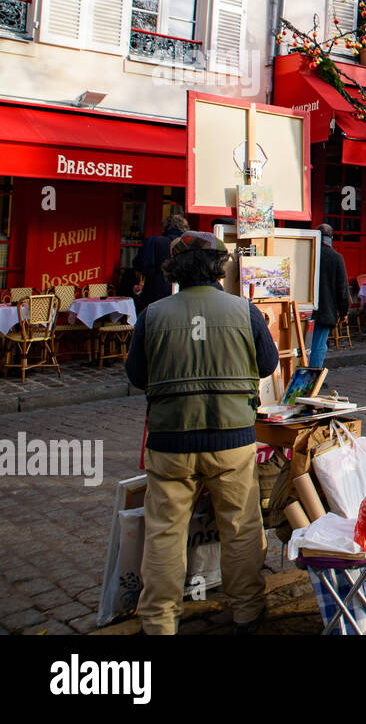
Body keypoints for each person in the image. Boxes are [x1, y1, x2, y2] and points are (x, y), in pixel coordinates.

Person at [124, 231, 279, 635]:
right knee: (241, 526)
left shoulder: (153, 315)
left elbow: (137, 376)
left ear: (174, 269)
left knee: (164, 532)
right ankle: (247, 609)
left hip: (170, 440)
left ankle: (158, 621)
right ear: (219, 267)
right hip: (231, 439)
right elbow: (266, 365)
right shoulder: (243, 311)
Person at [309, 224, 351, 369]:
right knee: (319, 345)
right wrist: (344, 311)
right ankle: (313, 378)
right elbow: (342, 288)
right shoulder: (336, 257)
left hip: (304, 307)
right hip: (325, 308)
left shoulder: (309, 253)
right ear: (331, 238)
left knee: (302, 344)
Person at [133, 214, 189, 311]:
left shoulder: (154, 241)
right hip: (184, 295)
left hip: (155, 294)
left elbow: (140, 264)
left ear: (165, 226)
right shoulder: (188, 244)